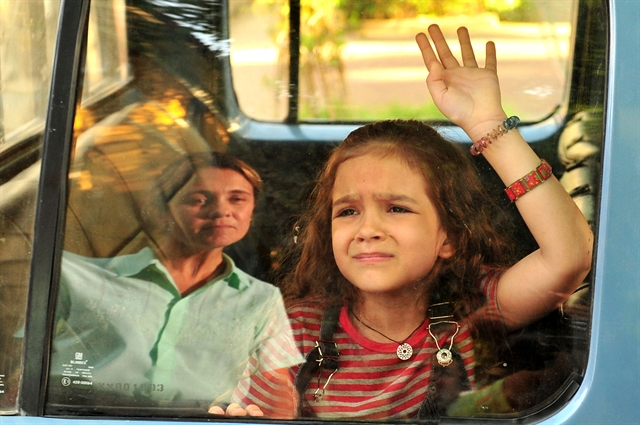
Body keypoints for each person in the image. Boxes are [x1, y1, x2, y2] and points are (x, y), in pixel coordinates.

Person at [218, 24, 593, 419]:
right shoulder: (296, 330)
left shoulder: (473, 307)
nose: (368, 230)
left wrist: (487, 125)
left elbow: (569, 255)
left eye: (397, 208)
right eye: (348, 211)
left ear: (447, 236)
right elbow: (260, 412)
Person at [48, 152, 302, 409]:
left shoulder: (262, 299)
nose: (221, 211)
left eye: (237, 199)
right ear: (161, 212)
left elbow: (276, 391)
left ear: (251, 211)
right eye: (198, 199)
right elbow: (23, 369)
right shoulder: (77, 278)